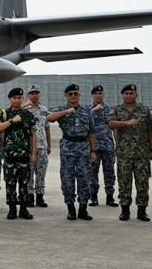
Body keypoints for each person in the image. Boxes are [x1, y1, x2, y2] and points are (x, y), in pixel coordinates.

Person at [46, 85, 96, 221]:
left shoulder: (86, 111)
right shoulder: (62, 109)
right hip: (68, 149)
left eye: (75, 93)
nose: (73, 96)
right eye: (70, 94)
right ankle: (71, 209)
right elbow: (49, 118)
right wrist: (66, 111)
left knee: (84, 179)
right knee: (67, 179)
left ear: (79, 95)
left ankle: (83, 209)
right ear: (66, 96)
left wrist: (93, 150)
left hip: (84, 148)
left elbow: (92, 132)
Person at [108, 85, 152, 221]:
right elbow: (110, 124)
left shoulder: (144, 110)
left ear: (136, 95)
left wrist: (151, 149)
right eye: (126, 93)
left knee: (143, 183)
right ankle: (125, 210)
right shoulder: (116, 109)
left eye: (131, 93)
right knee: (124, 183)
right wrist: (126, 123)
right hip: (124, 154)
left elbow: (149, 130)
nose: (128, 95)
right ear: (123, 95)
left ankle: (142, 211)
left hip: (142, 153)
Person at [0, 87, 38, 220]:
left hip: (24, 155)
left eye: (19, 98)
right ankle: (12, 209)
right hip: (9, 156)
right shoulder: (5, 113)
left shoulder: (27, 114)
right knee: (10, 183)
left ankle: (24, 209)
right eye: (15, 98)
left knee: (24, 183)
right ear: (10, 99)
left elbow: (33, 134)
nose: (17, 100)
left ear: (22, 99)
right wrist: (12, 121)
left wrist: (34, 153)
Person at [87, 85, 117, 207]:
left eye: (100, 93)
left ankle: (110, 197)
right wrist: (93, 110)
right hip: (93, 147)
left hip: (107, 145)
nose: (98, 95)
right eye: (96, 93)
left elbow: (114, 127)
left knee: (109, 172)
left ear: (103, 95)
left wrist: (117, 143)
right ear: (92, 95)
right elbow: (83, 121)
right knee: (92, 172)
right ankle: (93, 197)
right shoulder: (87, 109)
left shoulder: (110, 109)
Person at [25, 85, 52, 207]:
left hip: (42, 146)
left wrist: (49, 145)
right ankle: (30, 196)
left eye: (36, 93)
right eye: (32, 93)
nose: (34, 95)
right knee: (29, 173)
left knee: (41, 173)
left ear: (39, 94)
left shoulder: (44, 110)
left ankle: (40, 197)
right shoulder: (25, 110)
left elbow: (47, 128)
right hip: (28, 147)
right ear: (28, 95)